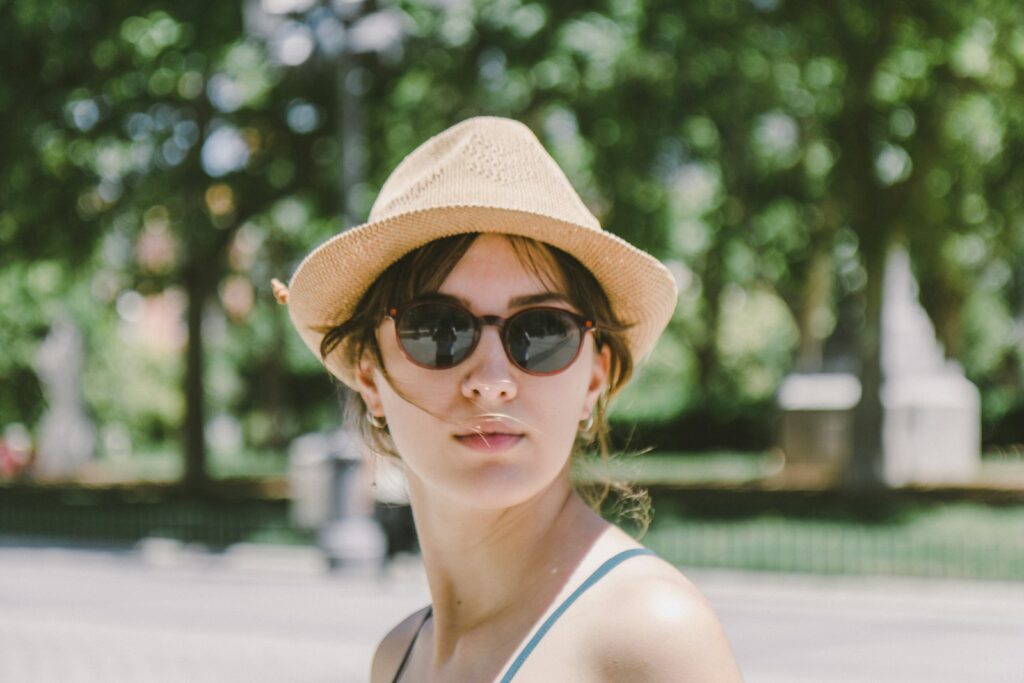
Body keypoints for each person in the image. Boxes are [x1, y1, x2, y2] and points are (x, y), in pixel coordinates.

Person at [273, 117, 743, 682]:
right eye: (438, 329)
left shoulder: (648, 634)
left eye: (542, 331)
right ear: (369, 375)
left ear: (596, 376)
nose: (491, 379)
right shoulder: (398, 657)